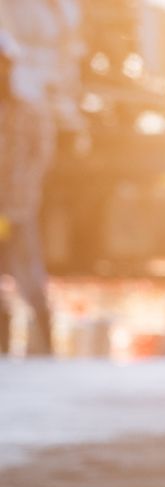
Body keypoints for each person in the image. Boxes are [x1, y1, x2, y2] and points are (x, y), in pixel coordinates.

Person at [0, 1, 81, 356]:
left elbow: (40, 155)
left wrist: (21, 193)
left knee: (28, 273)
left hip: (17, 208)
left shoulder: (29, 111)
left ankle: (46, 343)